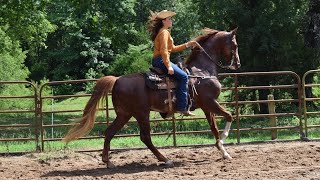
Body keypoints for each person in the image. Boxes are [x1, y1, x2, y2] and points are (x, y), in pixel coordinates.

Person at [147, 10, 198, 116]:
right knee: (184, 77)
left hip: (159, 60)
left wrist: (187, 44)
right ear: (164, 21)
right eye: (169, 19)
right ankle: (182, 107)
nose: (171, 21)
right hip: (161, 60)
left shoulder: (163, 32)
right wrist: (168, 66)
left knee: (182, 76)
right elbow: (164, 51)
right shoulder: (164, 32)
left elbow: (172, 48)